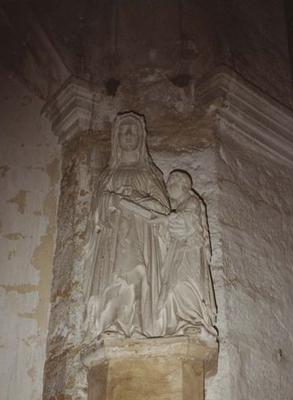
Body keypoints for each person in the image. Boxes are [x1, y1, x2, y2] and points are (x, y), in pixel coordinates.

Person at [83, 112, 170, 340]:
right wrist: (112, 200)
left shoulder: (150, 174)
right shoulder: (108, 176)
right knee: (116, 277)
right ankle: (112, 323)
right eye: (123, 131)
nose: (128, 134)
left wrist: (138, 199)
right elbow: (96, 213)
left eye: (133, 130)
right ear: (116, 138)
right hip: (113, 237)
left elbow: (163, 210)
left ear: (141, 136)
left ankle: (139, 324)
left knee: (139, 275)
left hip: (141, 235)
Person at [157, 170, 217, 341]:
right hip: (178, 250)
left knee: (185, 282)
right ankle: (177, 323)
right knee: (173, 286)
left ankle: (192, 320)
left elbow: (187, 223)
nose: (168, 187)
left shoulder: (192, 201)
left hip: (190, 250)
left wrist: (171, 219)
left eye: (171, 184)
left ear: (183, 186)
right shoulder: (179, 206)